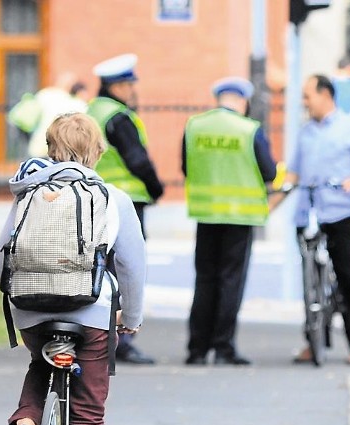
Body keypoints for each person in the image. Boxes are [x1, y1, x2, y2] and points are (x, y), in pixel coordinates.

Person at [0, 113, 147, 425]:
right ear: (96, 149)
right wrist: (131, 318)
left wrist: (12, 298)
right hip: (91, 315)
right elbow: (133, 267)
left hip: (32, 309)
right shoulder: (111, 197)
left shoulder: (28, 191)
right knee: (86, 423)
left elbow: (3, 252)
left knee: (42, 361)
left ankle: (26, 424)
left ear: (49, 146)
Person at [270, 75, 350, 367]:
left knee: (348, 277)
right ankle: (314, 339)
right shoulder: (306, 133)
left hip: (339, 213)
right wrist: (269, 206)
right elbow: (293, 174)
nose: (305, 102)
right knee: (310, 283)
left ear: (325, 95)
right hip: (308, 213)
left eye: (308, 96)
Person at [182, 77, 277, 366]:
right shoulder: (250, 130)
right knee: (230, 282)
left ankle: (197, 349)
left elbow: (186, 167)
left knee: (205, 280)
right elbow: (269, 171)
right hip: (239, 217)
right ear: (243, 101)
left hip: (206, 214)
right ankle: (223, 347)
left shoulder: (195, 126)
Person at [87, 53, 164, 365]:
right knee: (125, 270)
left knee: (96, 270)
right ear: (117, 86)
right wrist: (156, 187)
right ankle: (122, 341)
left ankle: (95, 334)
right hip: (124, 202)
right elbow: (137, 160)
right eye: (130, 84)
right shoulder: (118, 116)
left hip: (91, 200)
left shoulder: (92, 111)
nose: (134, 90)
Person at [27, 72, 88, 158]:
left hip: (39, 146)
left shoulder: (43, 95)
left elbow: (29, 116)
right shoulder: (76, 103)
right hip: (61, 150)